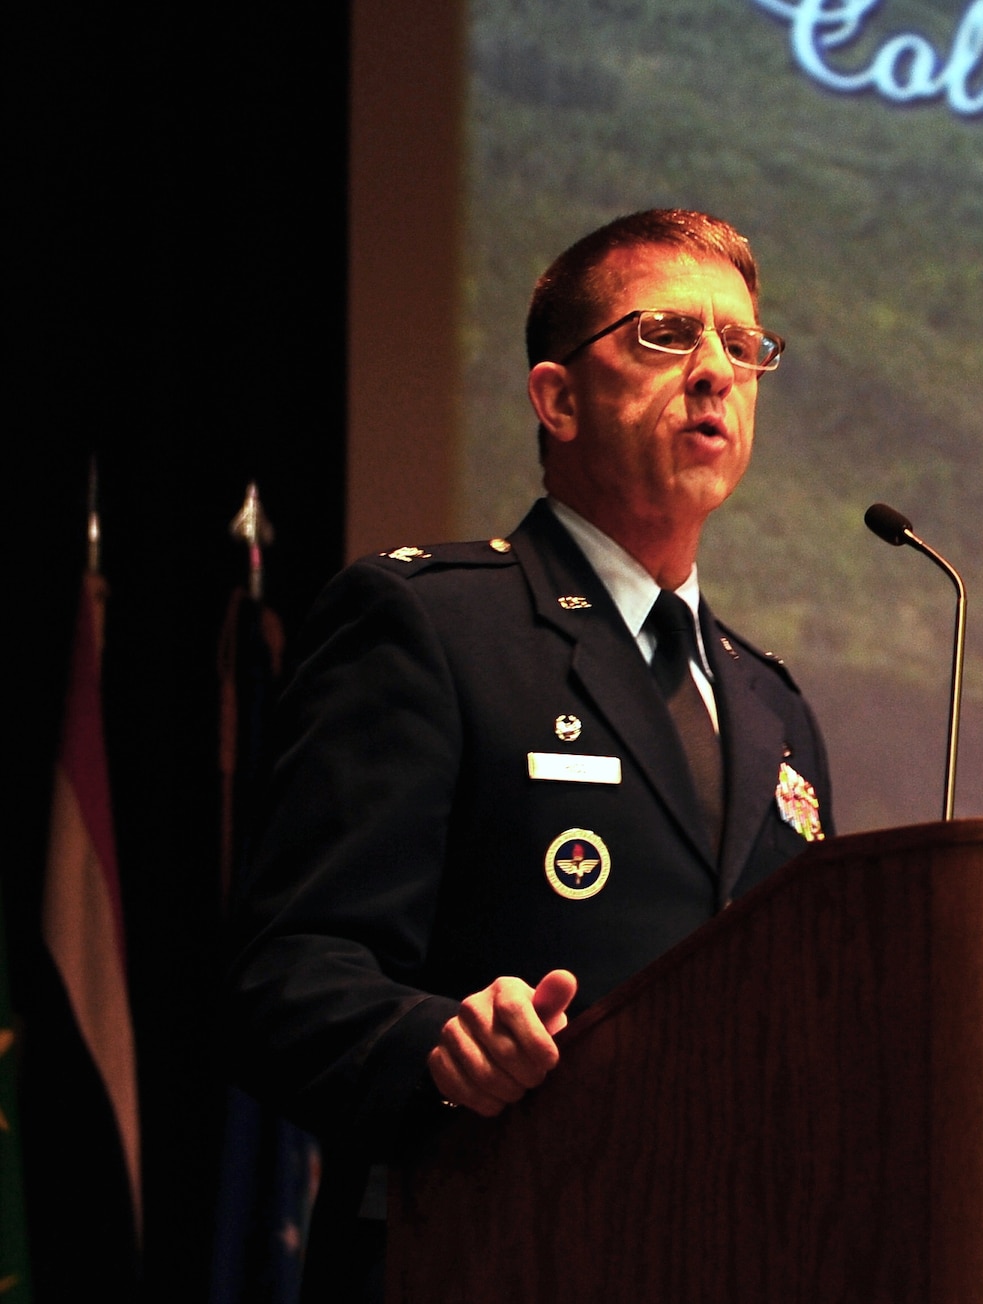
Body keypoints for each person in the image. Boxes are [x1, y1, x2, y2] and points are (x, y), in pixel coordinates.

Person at [223, 209, 835, 1301]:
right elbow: (288, 978)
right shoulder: (429, 623)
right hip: (479, 1249)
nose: (715, 372)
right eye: (665, 335)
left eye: (742, 346)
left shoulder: (772, 704)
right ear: (556, 399)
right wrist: (439, 1043)